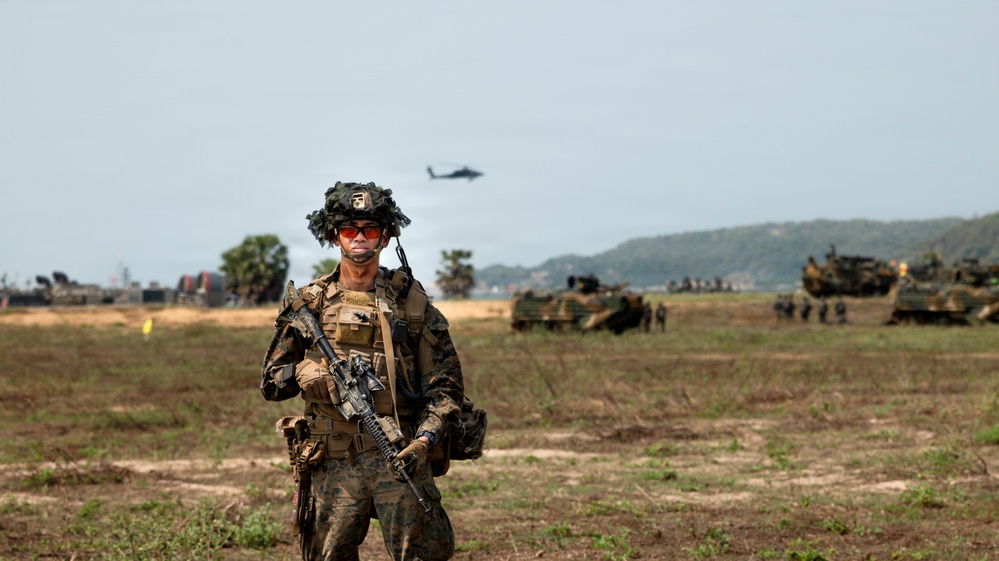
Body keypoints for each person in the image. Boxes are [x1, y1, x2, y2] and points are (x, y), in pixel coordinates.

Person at [260, 182, 464, 561]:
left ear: (385, 237)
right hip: (332, 462)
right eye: (349, 230)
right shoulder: (310, 304)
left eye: (369, 230)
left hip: (400, 456)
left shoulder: (412, 306)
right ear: (334, 236)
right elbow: (272, 382)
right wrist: (308, 374)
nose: (359, 239)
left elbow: (446, 389)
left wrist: (423, 442)